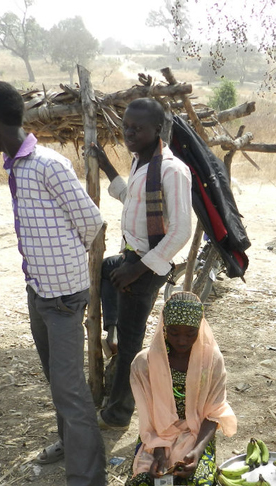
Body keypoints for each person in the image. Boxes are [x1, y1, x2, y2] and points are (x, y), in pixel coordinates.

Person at [0, 81, 107, 486]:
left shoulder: (47, 164)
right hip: (40, 290)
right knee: (55, 377)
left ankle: (85, 485)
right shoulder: (15, 165)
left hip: (64, 296)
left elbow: (90, 221)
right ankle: (70, 444)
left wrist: (68, 270)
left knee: (70, 389)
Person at [89, 98, 193, 430]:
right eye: (126, 126)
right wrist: (106, 166)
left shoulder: (171, 170)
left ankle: (118, 413)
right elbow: (130, 198)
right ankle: (113, 330)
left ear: (158, 130)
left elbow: (180, 232)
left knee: (133, 346)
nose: (129, 133)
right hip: (132, 258)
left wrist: (137, 269)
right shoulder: (141, 163)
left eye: (137, 128)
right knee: (106, 269)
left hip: (147, 267)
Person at [125, 291, 236, 486]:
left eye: (190, 333)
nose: (182, 341)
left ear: (200, 329)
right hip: (157, 435)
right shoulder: (145, 364)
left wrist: (196, 451)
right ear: (163, 328)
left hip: (197, 434)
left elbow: (214, 413)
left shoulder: (211, 362)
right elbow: (148, 416)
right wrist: (159, 452)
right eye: (174, 333)